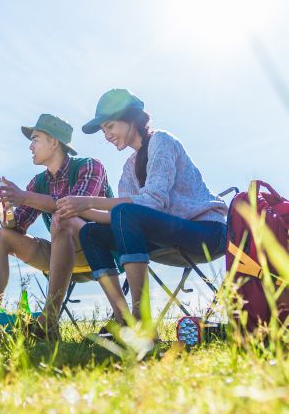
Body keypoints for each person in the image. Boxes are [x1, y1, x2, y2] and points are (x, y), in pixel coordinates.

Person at [55, 89, 228, 326]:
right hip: (166, 236)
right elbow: (122, 220)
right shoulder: (129, 168)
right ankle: (123, 320)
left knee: (125, 212)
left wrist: (90, 201)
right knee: (91, 233)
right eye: (104, 130)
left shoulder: (161, 141)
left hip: (205, 232)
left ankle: (142, 318)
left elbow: (152, 201)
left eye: (110, 126)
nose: (107, 135)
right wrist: (79, 210)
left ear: (131, 119)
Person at [0, 113, 110, 339]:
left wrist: (23, 196)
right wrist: (4, 212)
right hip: (60, 252)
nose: (30, 146)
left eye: (35, 138)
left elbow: (76, 207)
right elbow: (17, 226)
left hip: (99, 249)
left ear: (53, 142)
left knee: (63, 219)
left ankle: (48, 322)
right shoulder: (38, 182)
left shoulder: (90, 166)